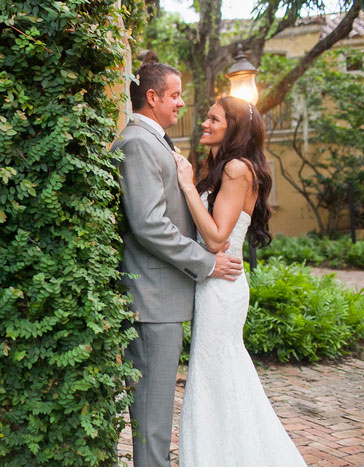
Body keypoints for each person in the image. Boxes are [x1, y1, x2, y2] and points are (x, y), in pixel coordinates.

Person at [112, 62, 243, 467]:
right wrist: (206, 262)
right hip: (152, 301)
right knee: (151, 420)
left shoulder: (156, 141)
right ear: (151, 97)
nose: (182, 103)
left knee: (156, 413)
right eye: (175, 95)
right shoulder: (137, 142)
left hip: (162, 300)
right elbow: (149, 224)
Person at [173, 96, 306, 466]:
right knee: (218, 374)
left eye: (214, 119)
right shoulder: (224, 167)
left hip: (221, 287)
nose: (204, 122)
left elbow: (217, 238)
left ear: (234, 130)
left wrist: (186, 184)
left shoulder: (236, 169)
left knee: (218, 374)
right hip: (213, 282)